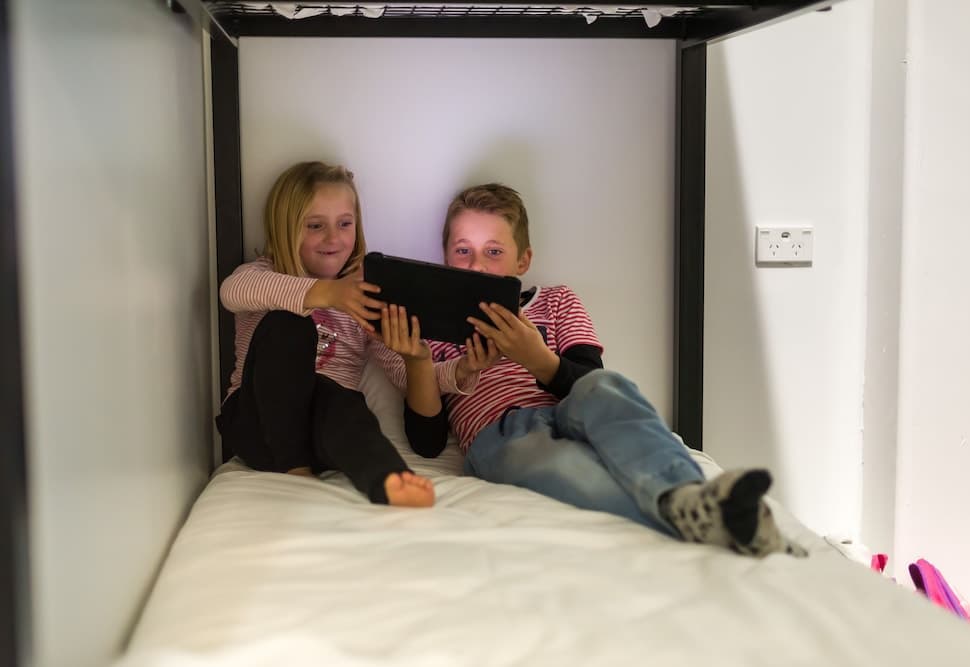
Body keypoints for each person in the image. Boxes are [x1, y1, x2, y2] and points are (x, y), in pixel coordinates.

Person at [417, 183, 807, 557]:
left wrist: (536, 358)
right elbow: (427, 442)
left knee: (606, 387)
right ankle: (698, 513)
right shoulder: (433, 329)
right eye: (463, 250)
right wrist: (426, 362)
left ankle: (690, 493)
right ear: (446, 257)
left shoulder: (557, 301)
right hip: (502, 432)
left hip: (574, 413)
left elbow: (590, 380)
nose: (477, 266)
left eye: (494, 251)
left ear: (523, 260)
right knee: (565, 468)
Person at [215, 161, 470, 507]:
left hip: (325, 438)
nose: (333, 238)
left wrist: (459, 369)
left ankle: (388, 479)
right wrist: (329, 293)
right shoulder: (264, 275)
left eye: (345, 224)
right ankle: (294, 469)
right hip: (257, 425)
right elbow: (232, 291)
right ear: (286, 228)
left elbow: (401, 371)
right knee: (289, 324)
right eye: (315, 226)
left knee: (344, 402)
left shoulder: (363, 300)